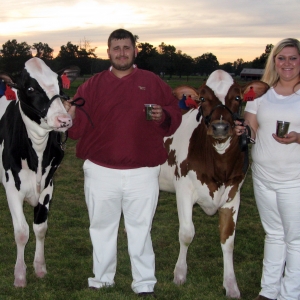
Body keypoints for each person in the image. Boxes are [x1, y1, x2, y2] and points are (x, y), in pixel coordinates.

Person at [65, 28, 182, 297]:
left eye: (126, 48)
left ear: (135, 51)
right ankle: (102, 278)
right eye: (116, 48)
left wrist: (162, 115)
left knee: (140, 229)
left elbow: (174, 115)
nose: (121, 53)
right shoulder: (92, 85)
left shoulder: (152, 82)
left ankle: (144, 283)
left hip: (142, 172)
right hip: (100, 171)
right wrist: (69, 115)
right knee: (101, 228)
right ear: (108, 52)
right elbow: (76, 130)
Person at [235, 38, 300, 300]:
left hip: (294, 179)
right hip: (263, 177)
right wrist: (242, 130)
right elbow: (251, 130)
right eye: (281, 58)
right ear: (274, 61)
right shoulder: (261, 94)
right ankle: (268, 291)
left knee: (295, 239)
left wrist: (297, 137)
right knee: (273, 234)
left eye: (293, 58)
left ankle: (290, 294)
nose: (287, 63)